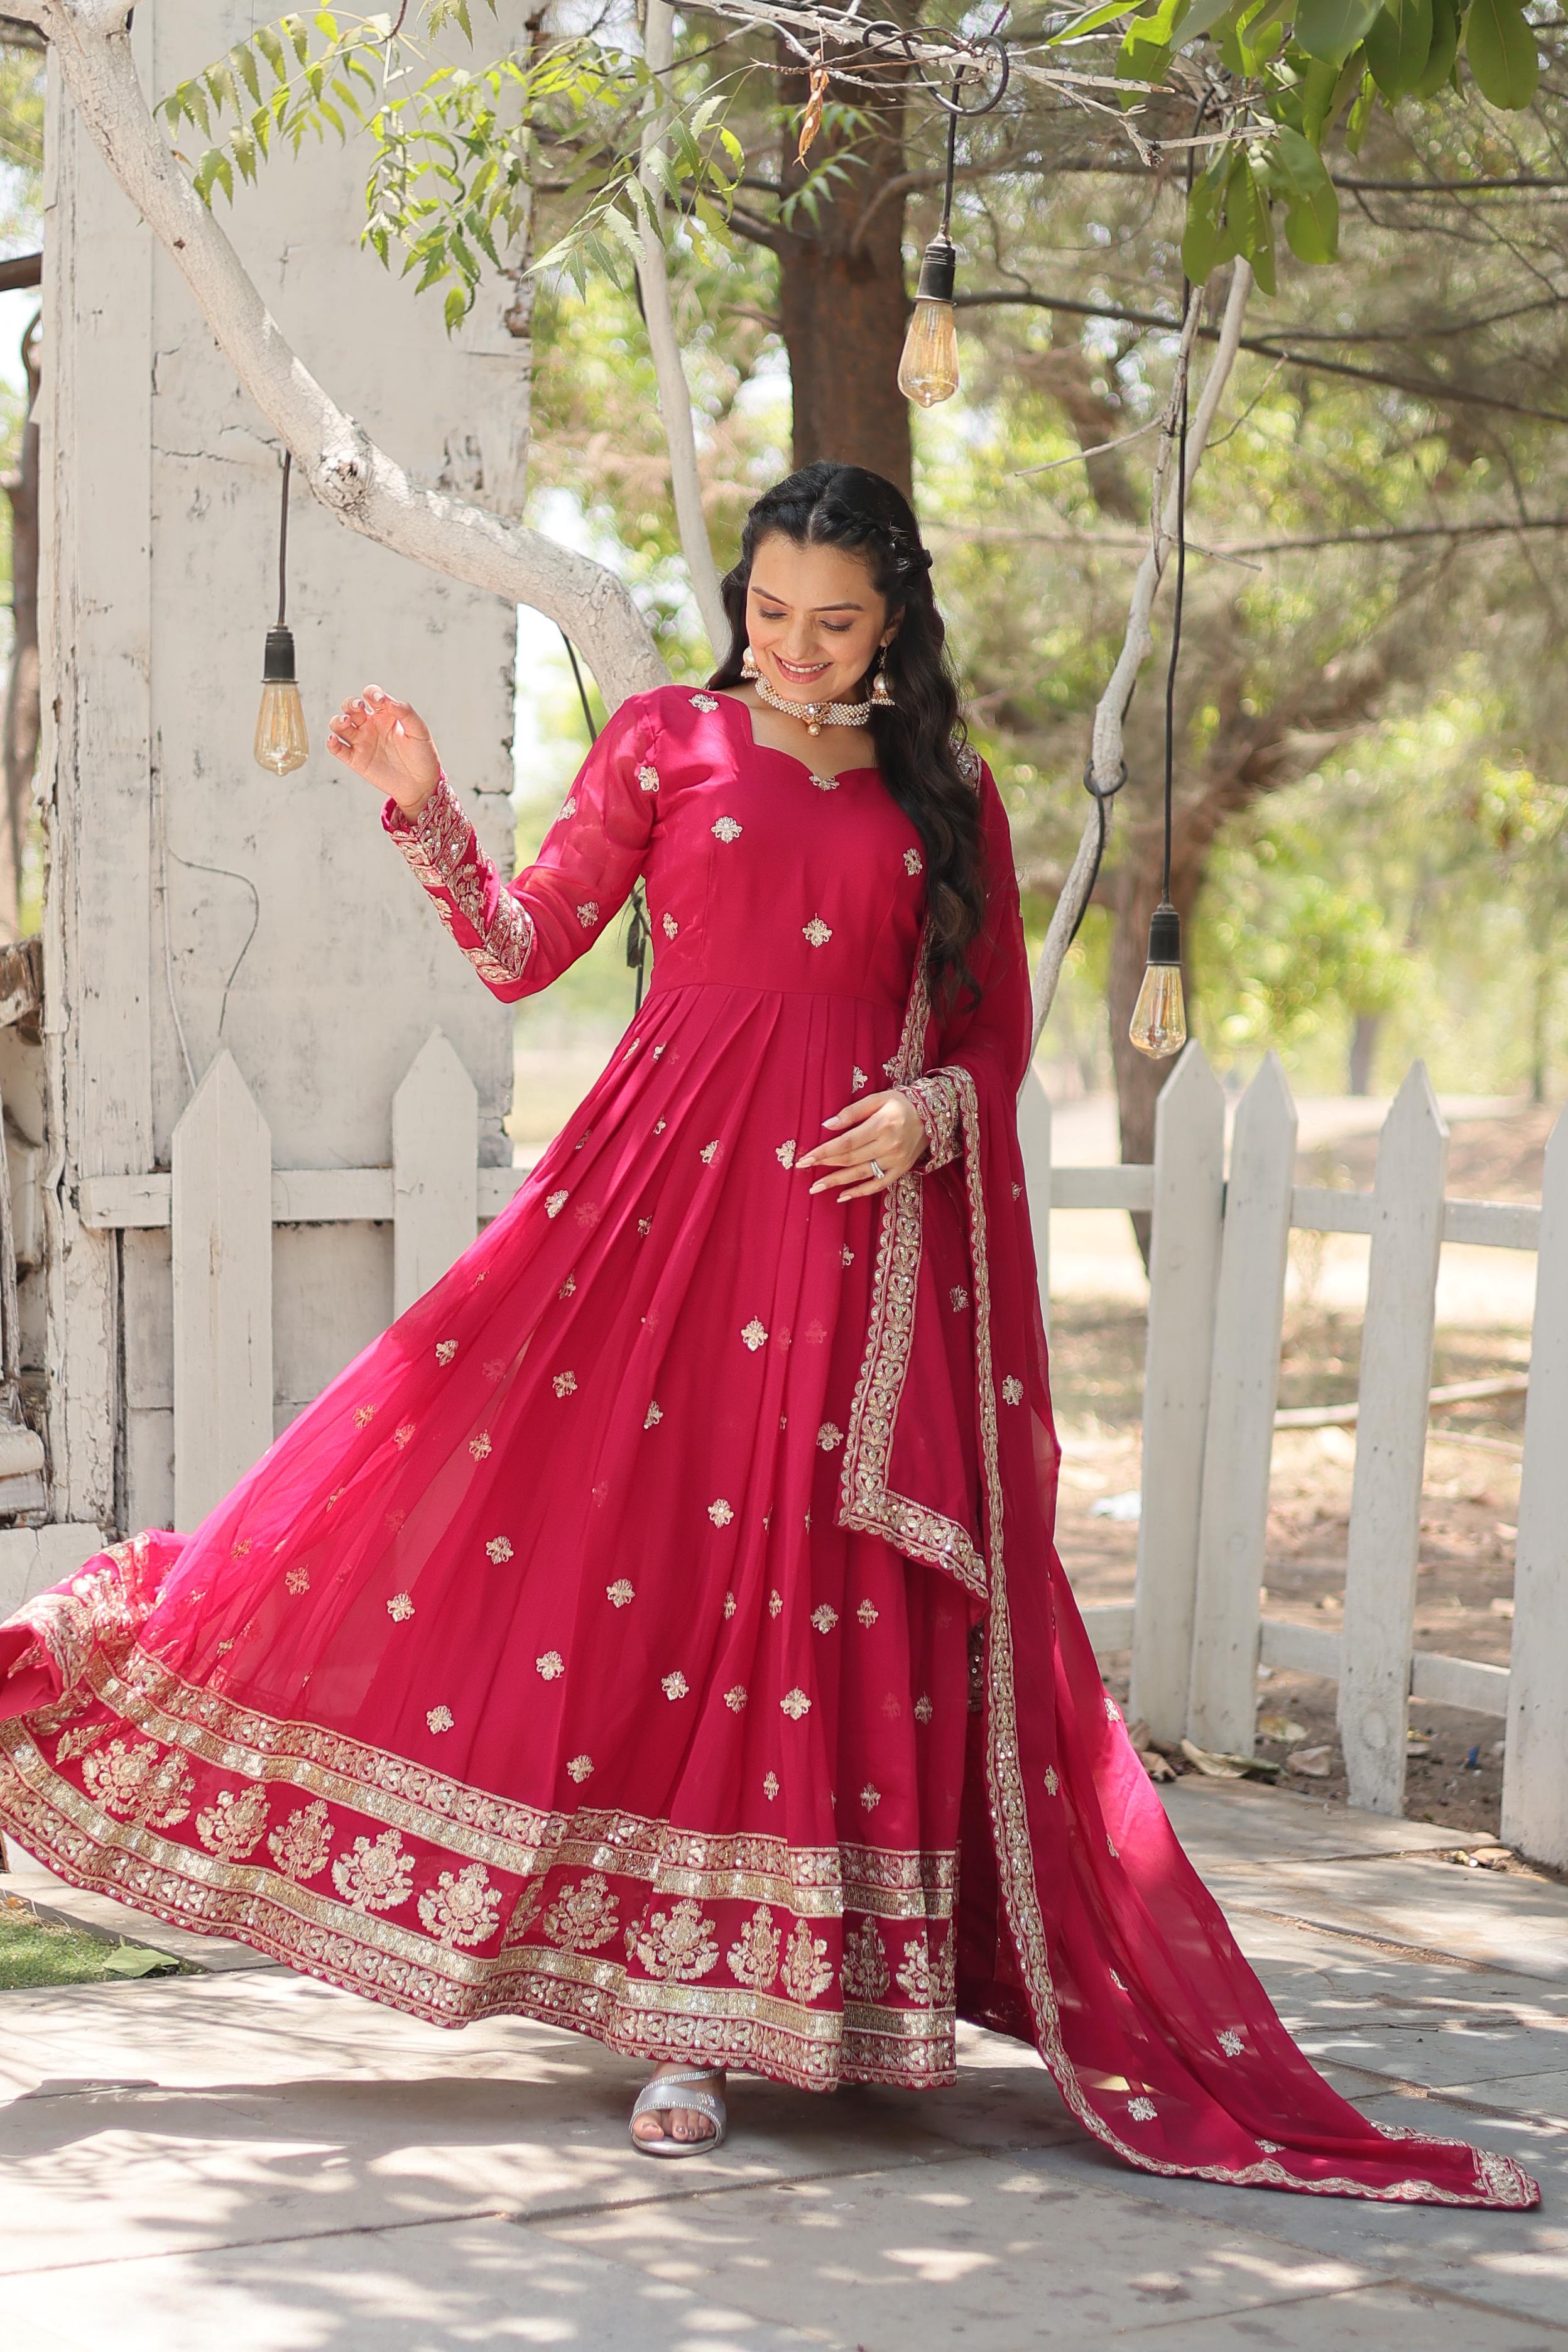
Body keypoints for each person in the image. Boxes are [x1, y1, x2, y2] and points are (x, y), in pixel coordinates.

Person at [0, 462, 1537, 2199]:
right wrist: (423, 808)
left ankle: (735, 2016)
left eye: (836, 625)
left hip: (841, 1238)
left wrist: (928, 1118)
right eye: (770, 615)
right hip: (655, 1214)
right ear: (742, 602)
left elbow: (998, 1042)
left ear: (895, 628)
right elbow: (525, 950)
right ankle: (646, 2003)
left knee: (788, 1586)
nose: (794, 653)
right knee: (600, 1549)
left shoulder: (947, 794)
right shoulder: (666, 743)